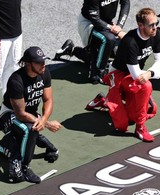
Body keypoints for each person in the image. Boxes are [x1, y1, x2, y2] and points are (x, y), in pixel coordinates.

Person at [0, 46, 62, 184]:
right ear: (29, 64)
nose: (43, 65)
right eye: (39, 62)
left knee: (32, 131)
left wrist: (44, 119)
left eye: (44, 61)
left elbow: (48, 99)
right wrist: (45, 123)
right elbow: (21, 113)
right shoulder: (16, 80)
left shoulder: (44, 73)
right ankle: (25, 167)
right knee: (30, 129)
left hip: (29, 113)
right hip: (9, 114)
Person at [85, 8, 160, 142]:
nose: (155, 28)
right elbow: (137, 75)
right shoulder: (130, 42)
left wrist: (151, 72)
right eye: (151, 25)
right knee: (146, 87)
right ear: (140, 25)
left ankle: (104, 101)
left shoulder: (156, 34)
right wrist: (151, 74)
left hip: (134, 75)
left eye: (157, 23)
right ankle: (140, 127)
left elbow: (159, 61)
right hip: (118, 74)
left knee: (141, 112)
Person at [54, 0, 130, 84]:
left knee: (116, 49)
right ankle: (100, 72)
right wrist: (112, 28)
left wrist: (119, 25)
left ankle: (73, 50)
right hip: (89, 24)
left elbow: (126, 3)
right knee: (109, 40)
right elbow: (95, 19)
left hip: (105, 23)